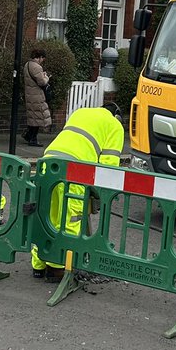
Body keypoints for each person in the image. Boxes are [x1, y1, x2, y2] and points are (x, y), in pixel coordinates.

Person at [31, 105, 125, 281]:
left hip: (47, 162)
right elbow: (108, 167)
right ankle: (57, 269)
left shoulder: (81, 112)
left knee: (46, 217)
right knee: (70, 219)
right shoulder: (115, 125)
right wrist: (100, 195)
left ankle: (38, 266)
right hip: (75, 170)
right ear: (117, 116)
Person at [23, 49, 53, 146]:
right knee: (39, 117)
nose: (42, 60)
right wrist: (46, 77)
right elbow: (42, 82)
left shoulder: (27, 65)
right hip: (37, 95)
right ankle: (33, 139)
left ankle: (29, 135)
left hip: (30, 94)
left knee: (34, 117)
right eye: (42, 58)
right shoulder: (37, 67)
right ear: (39, 57)